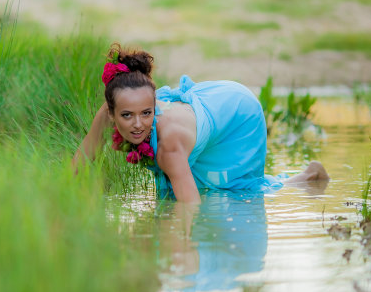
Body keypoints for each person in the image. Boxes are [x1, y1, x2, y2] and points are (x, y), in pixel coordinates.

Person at [72, 43, 329, 203]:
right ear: (112, 112)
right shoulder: (113, 106)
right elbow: (83, 159)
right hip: (206, 107)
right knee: (198, 184)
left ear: (154, 105)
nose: (138, 124)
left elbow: (190, 207)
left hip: (237, 113)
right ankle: (308, 176)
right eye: (126, 115)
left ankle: (309, 177)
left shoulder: (169, 146)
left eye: (146, 113)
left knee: (233, 190)